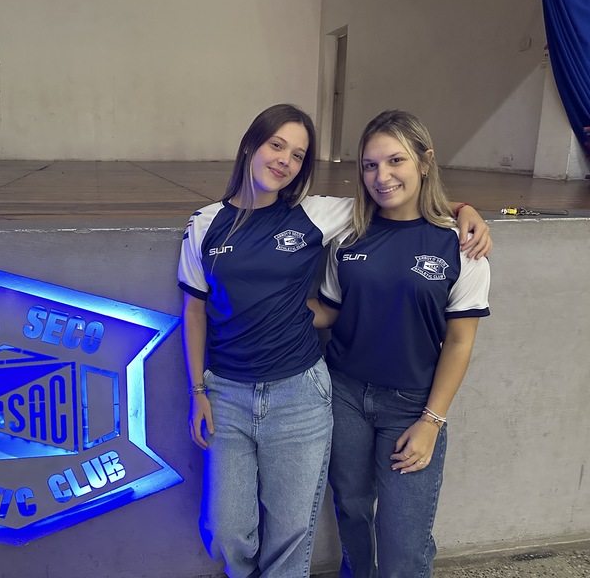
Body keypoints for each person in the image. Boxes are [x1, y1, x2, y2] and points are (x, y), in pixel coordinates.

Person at [177, 104, 490, 578]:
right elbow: (199, 310)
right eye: (276, 145)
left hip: (344, 396)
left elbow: (401, 203)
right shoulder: (210, 223)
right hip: (278, 392)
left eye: (298, 154)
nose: (284, 160)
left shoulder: (321, 214)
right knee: (248, 525)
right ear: (250, 146)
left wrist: (466, 210)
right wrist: (201, 385)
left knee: (370, 540)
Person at [310, 109, 491, 578]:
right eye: (370, 165)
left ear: (425, 162)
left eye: (396, 161)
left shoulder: (461, 245)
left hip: (412, 407)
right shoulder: (349, 233)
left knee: (403, 547)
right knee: (352, 509)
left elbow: (459, 342)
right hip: (344, 395)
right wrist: (268, 307)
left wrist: (431, 421)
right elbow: (330, 310)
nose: (382, 176)